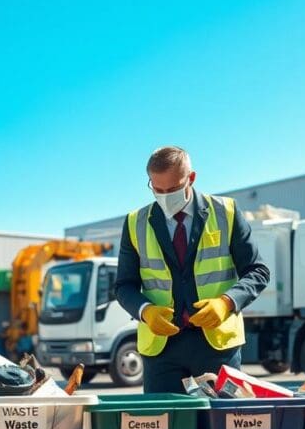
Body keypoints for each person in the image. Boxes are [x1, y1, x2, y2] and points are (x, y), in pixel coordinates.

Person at [115, 146, 270, 393]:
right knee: (167, 428)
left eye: (174, 189)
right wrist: (146, 312)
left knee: (219, 428)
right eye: (158, 189)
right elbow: (124, 285)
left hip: (216, 345)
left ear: (192, 178)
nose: (165, 196)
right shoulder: (135, 222)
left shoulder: (226, 212)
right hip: (161, 347)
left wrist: (227, 302)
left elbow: (257, 271)